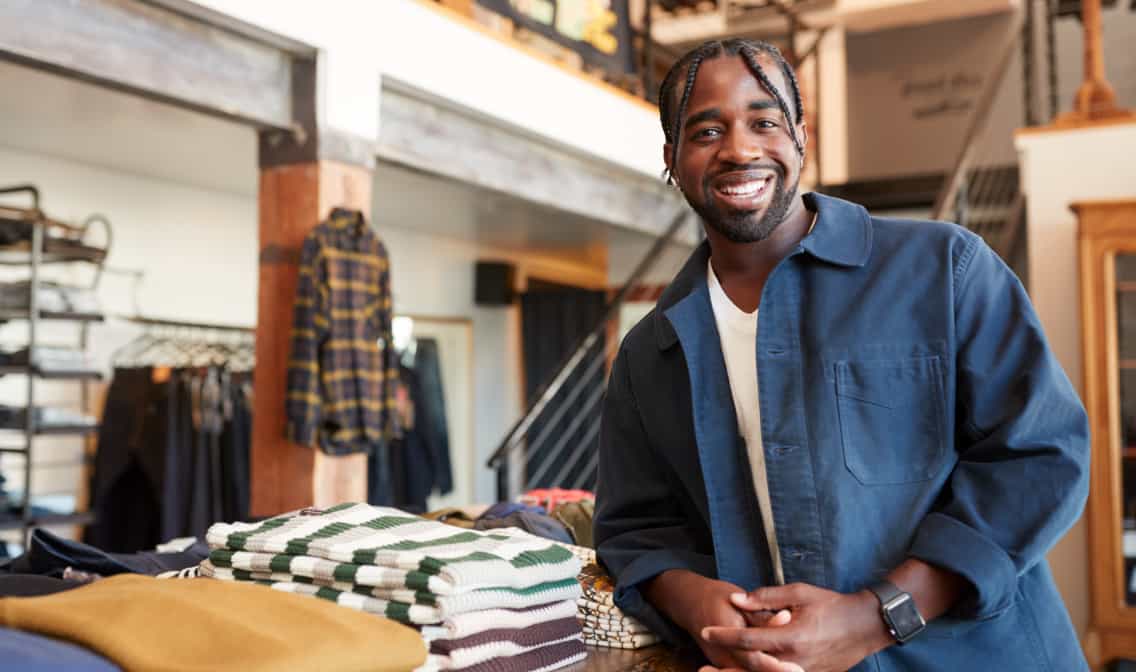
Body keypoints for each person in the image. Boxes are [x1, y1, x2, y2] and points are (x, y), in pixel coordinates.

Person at [593, 38, 1089, 672]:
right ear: (672, 158)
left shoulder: (945, 270)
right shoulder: (648, 353)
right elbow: (637, 528)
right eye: (706, 130)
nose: (740, 149)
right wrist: (695, 604)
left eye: (764, 122)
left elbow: (1041, 456)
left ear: (803, 137)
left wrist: (879, 614)